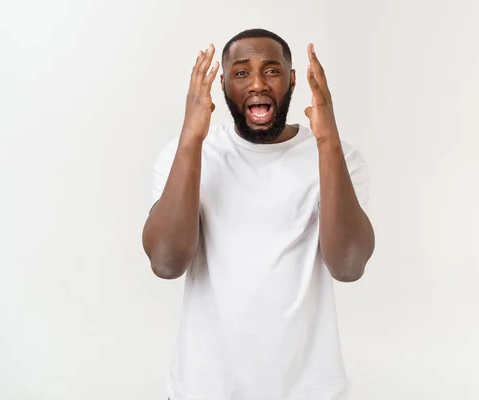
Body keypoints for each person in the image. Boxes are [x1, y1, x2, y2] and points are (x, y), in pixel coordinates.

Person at [142, 28, 375, 400]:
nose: (256, 84)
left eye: (271, 70)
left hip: (308, 390)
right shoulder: (187, 153)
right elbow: (166, 262)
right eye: (240, 72)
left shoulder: (337, 157)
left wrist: (327, 141)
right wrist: (191, 139)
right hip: (203, 389)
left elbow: (348, 266)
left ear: (292, 79)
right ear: (221, 84)